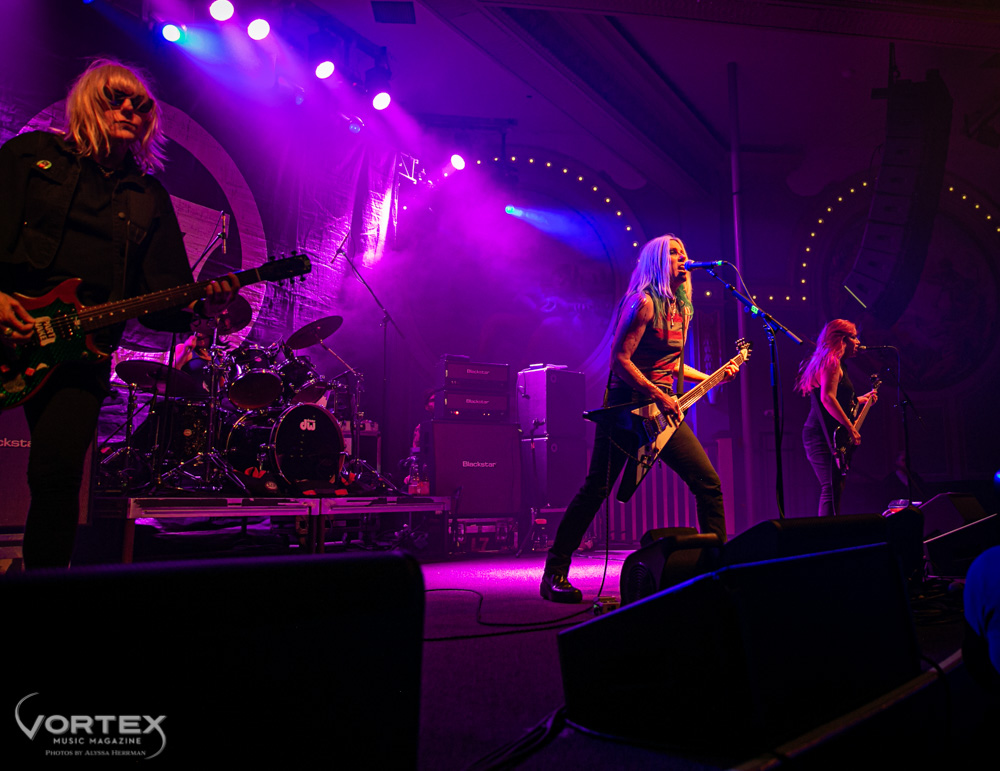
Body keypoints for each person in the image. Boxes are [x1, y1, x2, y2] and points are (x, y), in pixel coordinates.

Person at [0, 59, 238, 568]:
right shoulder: (30, 156)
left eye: (141, 104)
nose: (130, 108)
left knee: (58, 474)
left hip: (81, 353)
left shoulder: (147, 196)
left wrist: (202, 306)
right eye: (116, 98)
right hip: (5, 325)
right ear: (88, 101)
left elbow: (165, 293)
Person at [539, 234, 740, 603]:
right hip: (627, 409)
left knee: (708, 483)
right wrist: (661, 394)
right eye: (675, 254)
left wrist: (712, 375)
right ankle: (554, 572)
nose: (685, 259)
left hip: (663, 411)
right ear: (658, 262)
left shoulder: (681, 308)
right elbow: (620, 359)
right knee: (597, 489)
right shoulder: (642, 303)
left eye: (685, 252)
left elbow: (671, 366)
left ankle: (718, 569)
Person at [796, 319, 877, 518]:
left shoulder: (837, 363)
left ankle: (831, 529)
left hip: (828, 432)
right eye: (854, 337)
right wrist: (851, 428)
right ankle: (827, 533)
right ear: (842, 339)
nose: (858, 342)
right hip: (819, 434)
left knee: (836, 485)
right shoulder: (831, 361)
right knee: (831, 485)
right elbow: (827, 398)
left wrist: (859, 400)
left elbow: (836, 398)